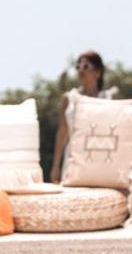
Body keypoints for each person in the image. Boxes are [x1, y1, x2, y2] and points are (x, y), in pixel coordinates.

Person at [49, 51, 118, 182]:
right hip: (73, 160)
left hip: (102, 158)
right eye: (78, 66)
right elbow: (62, 134)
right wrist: (55, 167)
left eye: (86, 66)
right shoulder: (69, 99)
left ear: (98, 72)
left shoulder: (109, 98)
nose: (81, 70)